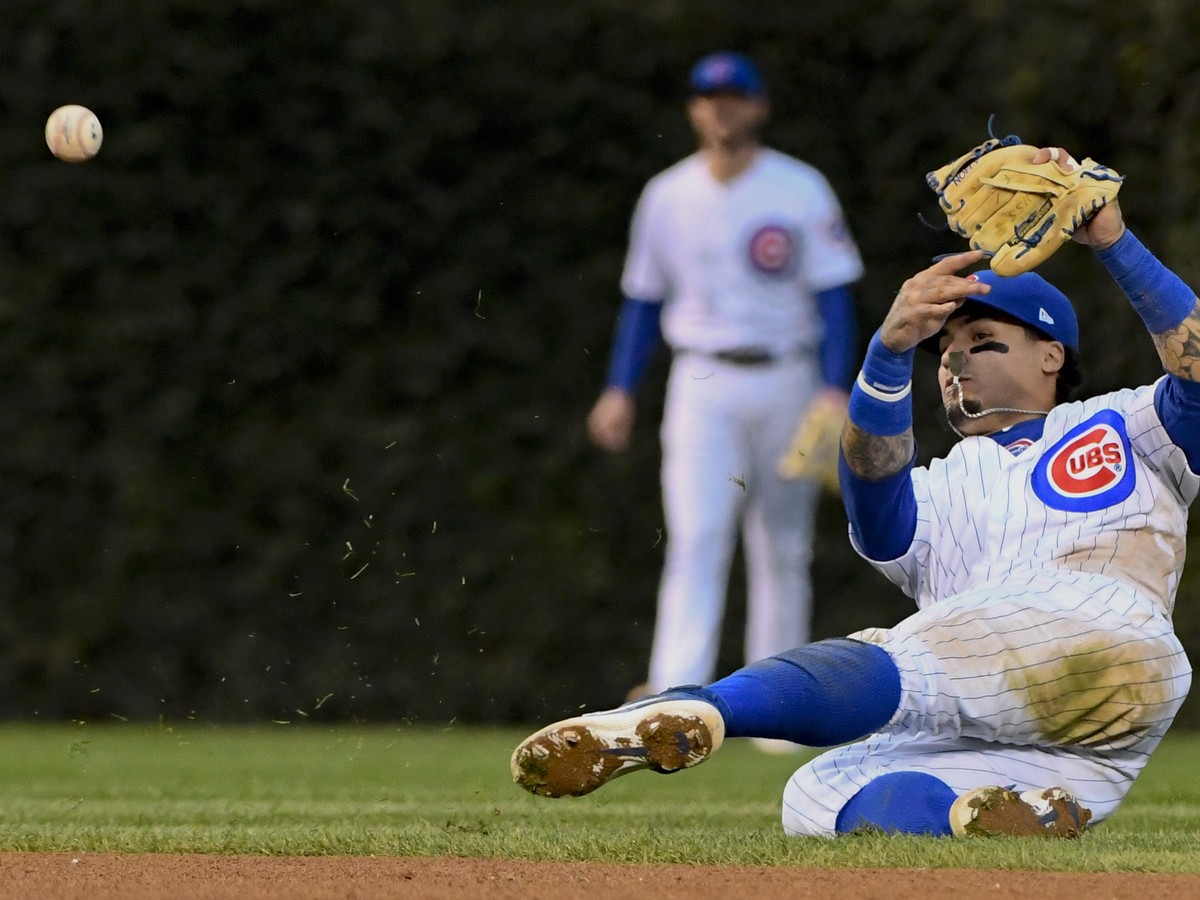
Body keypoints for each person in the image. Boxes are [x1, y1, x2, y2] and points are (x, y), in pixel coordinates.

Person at [513, 143, 1197, 838]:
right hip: (1045, 726)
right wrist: (890, 349)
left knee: (910, 654)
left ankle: (693, 709)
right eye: (944, 348)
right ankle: (987, 818)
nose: (955, 357)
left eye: (982, 337)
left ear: (1052, 355)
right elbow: (873, 504)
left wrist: (1114, 241)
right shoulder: (936, 486)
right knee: (818, 791)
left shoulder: (1127, 422)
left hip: (1105, 633)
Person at [587, 50, 864, 707]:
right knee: (696, 536)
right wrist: (619, 387)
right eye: (709, 97)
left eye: (735, 95)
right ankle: (676, 695)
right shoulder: (667, 194)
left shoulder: (799, 187)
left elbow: (835, 298)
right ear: (693, 109)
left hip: (788, 374)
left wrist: (835, 388)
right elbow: (644, 300)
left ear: (760, 105)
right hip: (702, 380)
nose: (722, 107)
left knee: (783, 545)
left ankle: (777, 702)